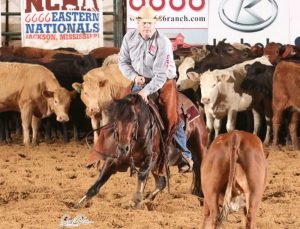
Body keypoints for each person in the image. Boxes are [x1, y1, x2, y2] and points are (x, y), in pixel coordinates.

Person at [118, 6, 193, 173]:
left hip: (164, 80)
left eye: (151, 23)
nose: (147, 26)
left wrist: (145, 91)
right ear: (138, 23)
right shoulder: (129, 38)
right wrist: (133, 76)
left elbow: (160, 75)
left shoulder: (162, 42)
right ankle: (120, 149)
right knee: (122, 111)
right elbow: (122, 62)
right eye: (144, 23)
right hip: (140, 79)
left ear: (155, 24)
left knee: (171, 115)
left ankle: (185, 154)